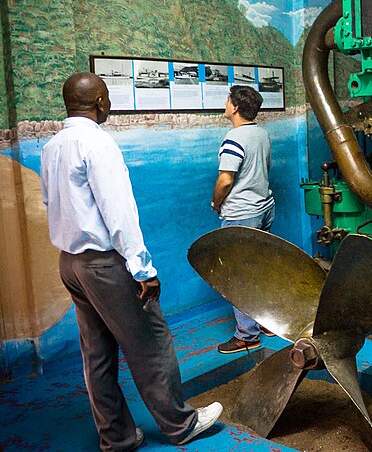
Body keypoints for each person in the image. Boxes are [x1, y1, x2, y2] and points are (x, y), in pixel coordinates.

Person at [40, 72, 222, 451]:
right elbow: (119, 215)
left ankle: (117, 437)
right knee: (150, 343)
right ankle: (181, 424)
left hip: (70, 263)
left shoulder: (52, 146)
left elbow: (49, 204)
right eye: (107, 99)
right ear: (100, 103)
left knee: (97, 355)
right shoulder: (98, 144)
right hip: (105, 265)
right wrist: (144, 270)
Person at [211, 85, 275, 354]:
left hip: (241, 214)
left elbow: (226, 179)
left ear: (235, 107)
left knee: (237, 276)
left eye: (228, 100)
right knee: (259, 269)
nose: (225, 104)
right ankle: (268, 322)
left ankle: (246, 335)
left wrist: (216, 202)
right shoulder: (261, 134)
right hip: (265, 208)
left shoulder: (234, 138)